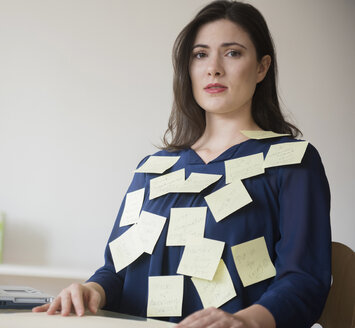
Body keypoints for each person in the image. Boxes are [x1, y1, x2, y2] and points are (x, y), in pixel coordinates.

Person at [33, 1, 331, 327]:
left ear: (261, 67)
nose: (213, 68)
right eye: (200, 55)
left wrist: (244, 322)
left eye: (232, 53)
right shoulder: (152, 169)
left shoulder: (292, 163)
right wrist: (92, 290)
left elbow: (304, 280)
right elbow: (117, 272)